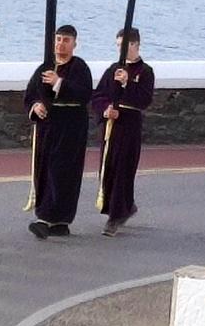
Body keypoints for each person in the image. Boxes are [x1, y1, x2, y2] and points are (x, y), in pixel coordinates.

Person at [23, 26, 94, 238]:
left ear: (74, 44)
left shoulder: (80, 68)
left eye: (66, 40)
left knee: (63, 171)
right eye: (58, 39)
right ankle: (47, 217)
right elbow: (30, 95)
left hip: (70, 127)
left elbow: (84, 94)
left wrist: (59, 83)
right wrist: (36, 106)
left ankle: (55, 218)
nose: (60, 44)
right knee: (45, 168)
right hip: (48, 127)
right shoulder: (44, 68)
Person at [93, 28, 157, 236]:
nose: (120, 49)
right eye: (118, 45)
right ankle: (122, 206)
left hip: (129, 126)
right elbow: (99, 95)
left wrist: (127, 83)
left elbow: (144, 99)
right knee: (108, 168)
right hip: (111, 126)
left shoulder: (145, 71)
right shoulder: (113, 69)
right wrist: (105, 109)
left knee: (123, 169)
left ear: (135, 45)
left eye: (124, 45)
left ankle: (117, 215)